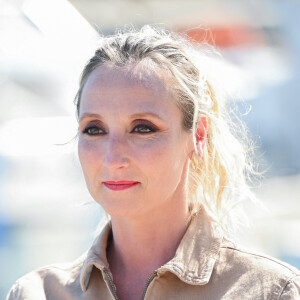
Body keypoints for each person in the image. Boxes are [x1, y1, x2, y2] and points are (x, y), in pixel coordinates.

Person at [7, 25, 300, 300]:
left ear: (198, 136)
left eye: (143, 128)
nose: (113, 158)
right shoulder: (37, 292)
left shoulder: (271, 291)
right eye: (94, 129)